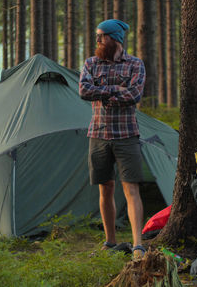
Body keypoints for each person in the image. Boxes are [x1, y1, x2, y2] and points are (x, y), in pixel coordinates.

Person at [78, 19, 146, 259]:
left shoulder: (135, 64)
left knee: (131, 188)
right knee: (105, 188)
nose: (97, 40)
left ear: (115, 38)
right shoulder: (91, 63)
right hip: (98, 135)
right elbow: (84, 90)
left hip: (127, 134)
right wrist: (116, 90)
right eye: (97, 36)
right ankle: (110, 242)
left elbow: (135, 94)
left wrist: (104, 92)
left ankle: (138, 245)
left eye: (102, 36)